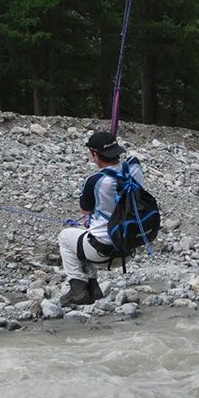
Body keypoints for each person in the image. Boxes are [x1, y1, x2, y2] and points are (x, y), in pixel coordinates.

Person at [57, 131, 128, 306]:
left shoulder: (95, 180)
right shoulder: (132, 171)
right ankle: (93, 287)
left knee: (65, 237)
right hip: (128, 250)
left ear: (95, 154)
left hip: (103, 253)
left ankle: (78, 286)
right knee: (86, 233)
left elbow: (84, 209)